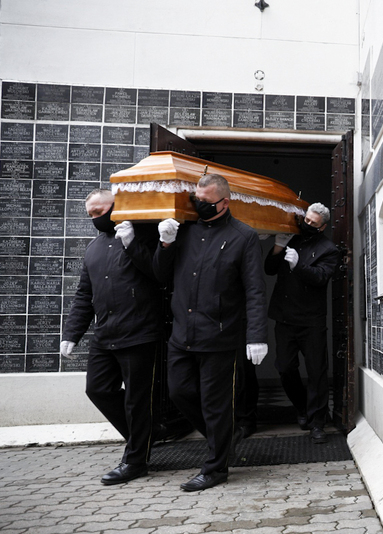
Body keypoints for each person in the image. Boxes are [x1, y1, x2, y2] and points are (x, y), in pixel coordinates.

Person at [153, 173, 269, 492]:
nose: (199, 205)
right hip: (182, 334)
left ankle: (216, 468)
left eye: (206, 202)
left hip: (220, 335)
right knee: (179, 392)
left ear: (224, 201)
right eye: (196, 200)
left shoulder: (243, 236)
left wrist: (256, 335)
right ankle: (225, 438)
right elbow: (160, 276)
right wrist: (165, 244)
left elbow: (254, 290)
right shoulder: (185, 231)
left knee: (215, 404)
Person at [61, 189, 162, 485]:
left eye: (99, 211)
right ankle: (143, 436)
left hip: (139, 331)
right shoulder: (93, 248)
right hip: (104, 333)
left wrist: (131, 243)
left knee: (137, 399)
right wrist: (72, 334)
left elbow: (159, 274)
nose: (95, 218)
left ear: (116, 208)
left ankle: (135, 461)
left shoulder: (143, 237)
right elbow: (84, 294)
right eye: (90, 214)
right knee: (98, 389)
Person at [264, 203, 340, 444]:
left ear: (322, 226)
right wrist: (277, 247)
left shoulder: (328, 249)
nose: (307, 225)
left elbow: (320, 278)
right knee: (284, 368)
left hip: (311, 320)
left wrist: (299, 266)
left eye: (312, 224)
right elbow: (269, 269)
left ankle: (318, 423)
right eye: (305, 220)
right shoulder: (292, 237)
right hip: (285, 317)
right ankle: (303, 408)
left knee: (317, 372)